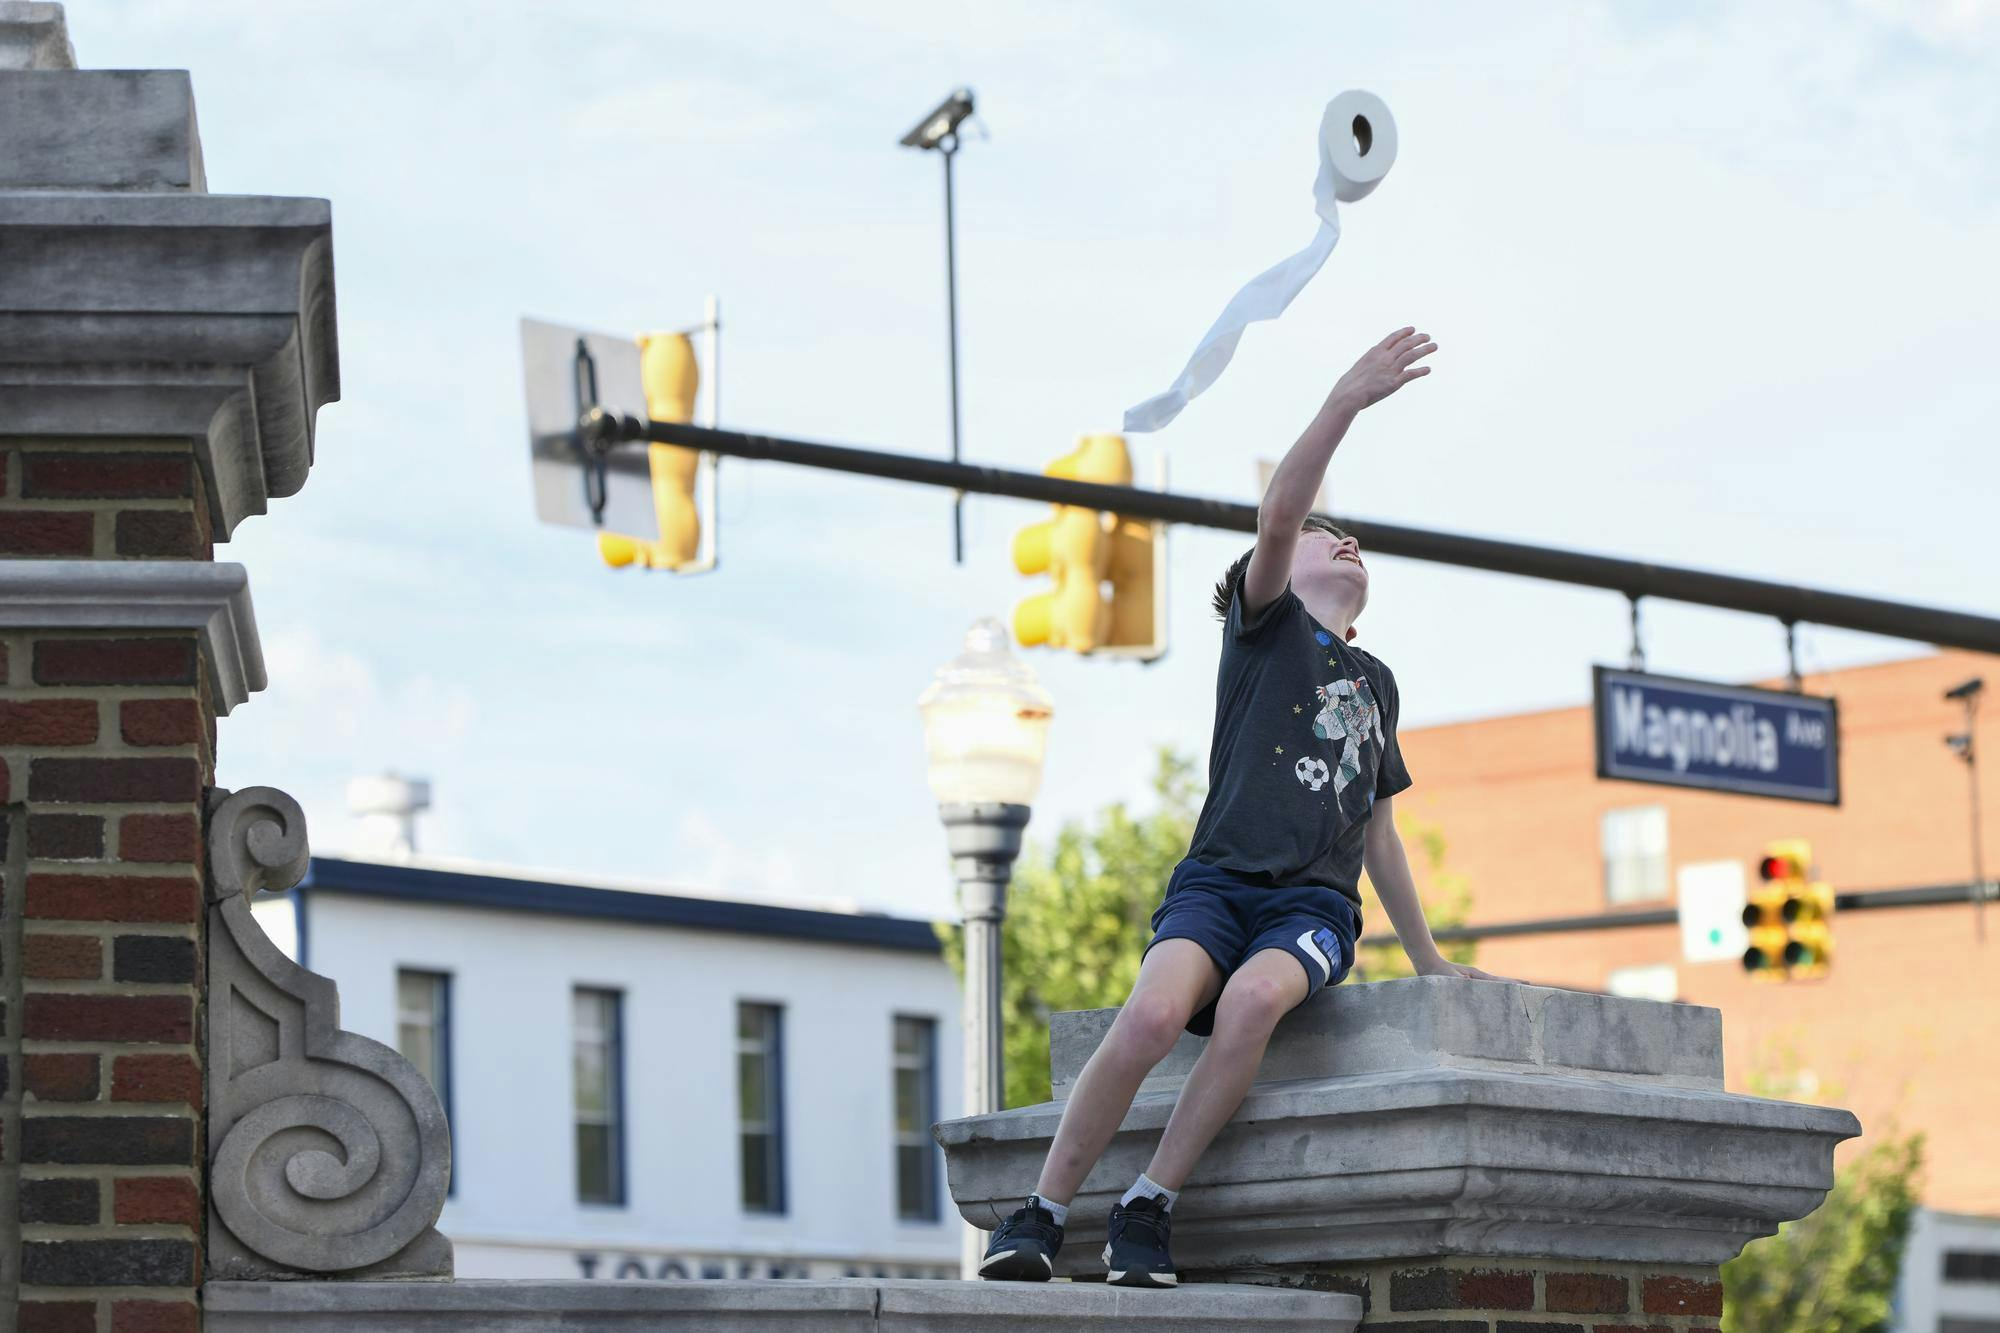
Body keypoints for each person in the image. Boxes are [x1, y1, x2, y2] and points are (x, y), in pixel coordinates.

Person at [979, 326, 1506, 1289]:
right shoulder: (1265, 635)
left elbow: (1378, 830)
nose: (1343, 540)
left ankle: (1149, 1203)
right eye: (1323, 535)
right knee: (1147, 1017)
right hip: (1218, 882)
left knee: (1258, 997)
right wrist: (1344, 400)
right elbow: (1280, 513)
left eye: (1354, 545)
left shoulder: (1376, 681)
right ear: (1277, 570)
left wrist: (1428, 959)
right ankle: (1042, 1211)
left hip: (1311, 910)